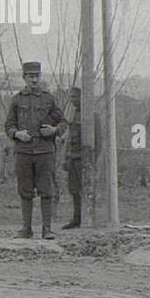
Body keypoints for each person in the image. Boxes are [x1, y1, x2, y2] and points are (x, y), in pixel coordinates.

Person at [5, 62, 67, 240]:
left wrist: (54, 130)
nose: (34, 79)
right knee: (25, 191)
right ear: (24, 78)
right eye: (30, 76)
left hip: (45, 151)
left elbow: (63, 122)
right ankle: (26, 229)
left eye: (36, 76)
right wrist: (17, 134)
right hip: (24, 151)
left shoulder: (49, 99)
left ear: (40, 77)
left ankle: (47, 229)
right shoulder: (17, 100)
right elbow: (8, 126)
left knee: (46, 190)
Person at [61, 86, 83, 229]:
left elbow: (97, 141)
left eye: (76, 97)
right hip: (73, 158)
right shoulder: (74, 114)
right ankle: (77, 219)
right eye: (72, 97)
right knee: (74, 189)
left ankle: (84, 218)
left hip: (82, 159)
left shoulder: (90, 116)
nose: (73, 100)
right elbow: (69, 138)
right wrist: (66, 157)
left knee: (83, 189)